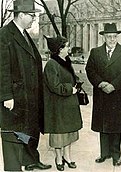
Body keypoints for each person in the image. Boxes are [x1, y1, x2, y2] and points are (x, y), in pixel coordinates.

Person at [0, 0, 52, 171]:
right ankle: (14, 168)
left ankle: (30, 160)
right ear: (20, 15)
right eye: (31, 15)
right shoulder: (5, 35)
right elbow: (2, 68)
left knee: (28, 130)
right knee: (14, 134)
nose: (34, 19)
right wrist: (6, 96)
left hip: (29, 96)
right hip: (15, 97)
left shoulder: (24, 34)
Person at [85, 23, 121, 166]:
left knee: (117, 126)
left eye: (114, 36)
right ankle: (104, 153)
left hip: (117, 94)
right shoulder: (95, 52)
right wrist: (101, 83)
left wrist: (113, 85)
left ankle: (116, 155)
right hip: (101, 94)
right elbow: (90, 70)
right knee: (102, 125)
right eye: (109, 36)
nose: (112, 39)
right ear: (104, 37)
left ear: (117, 37)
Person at [43, 36, 83, 171]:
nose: (69, 48)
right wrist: (69, 89)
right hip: (58, 105)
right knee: (59, 134)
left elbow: (69, 77)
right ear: (60, 49)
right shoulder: (51, 64)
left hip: (69, 103)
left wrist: (76, 82)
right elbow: (54, 85)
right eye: (66, 46)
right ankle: (59, 158)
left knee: (69, 132)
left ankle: (67, 156)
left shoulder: (65, 60)